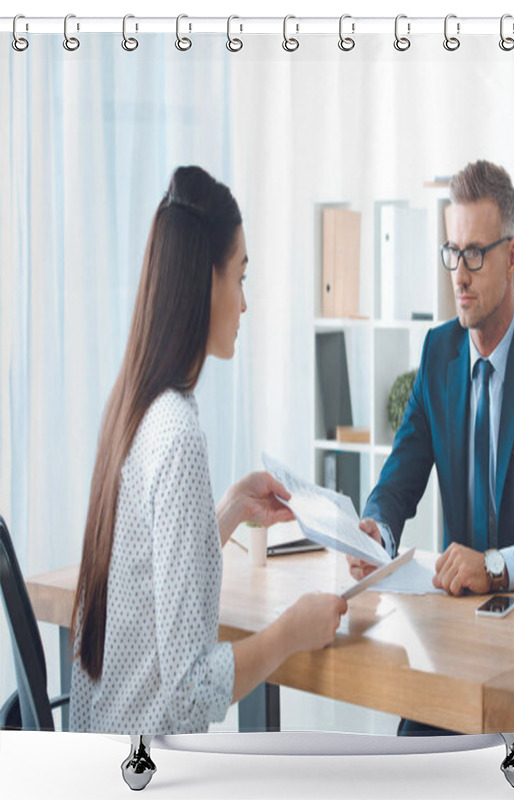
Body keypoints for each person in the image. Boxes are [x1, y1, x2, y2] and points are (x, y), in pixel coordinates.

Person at [70, 166, 347, 734]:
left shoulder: (136, 406)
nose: (244, 304)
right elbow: (192, 694)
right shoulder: (178, 437)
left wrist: (226, 513)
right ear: (207, 282)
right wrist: (291, 631)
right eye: (240, 277)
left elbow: (147, 591)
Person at [347, 160, 514, 735]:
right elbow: (399, 479)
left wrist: (493, 567)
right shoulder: (439, 354)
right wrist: (376, 530)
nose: (458, 275)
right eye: (451, 252)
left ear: (512, 257)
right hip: (450, 652)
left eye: (475, 254)